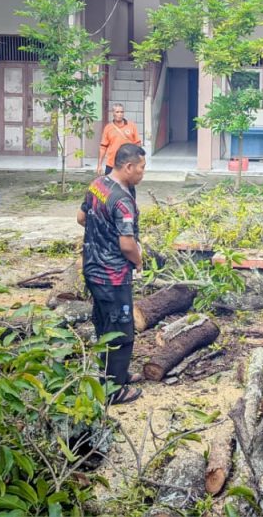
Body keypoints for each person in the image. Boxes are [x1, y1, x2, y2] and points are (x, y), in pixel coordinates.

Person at [77, 142, 147, 404]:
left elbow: (81, 218)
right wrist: (138, 261)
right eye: (141, 168)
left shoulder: (97, 185)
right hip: (113, 275)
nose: (143, 173)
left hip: (92, 268)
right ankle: (113, 391)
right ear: (128, 167)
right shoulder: (122, 200)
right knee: (121, 329)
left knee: (104, 323)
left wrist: (101, 235)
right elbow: (126, 244)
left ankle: (114, 373)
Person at [98, 103, 142, 175]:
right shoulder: (108, 128)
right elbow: (103, 147)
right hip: (111, 164)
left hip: (128, 164)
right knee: (109, 182)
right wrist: (99, 165)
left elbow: (138, 144)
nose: (120, 114)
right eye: (117, 112)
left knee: (128, 182)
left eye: (122, 112)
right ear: (113, 113)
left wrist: (138, 162)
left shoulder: (131, 126)